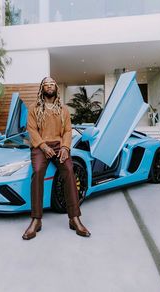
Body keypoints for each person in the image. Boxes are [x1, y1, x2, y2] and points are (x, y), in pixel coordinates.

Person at [22, 77, 91, 240]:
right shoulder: (34, 108)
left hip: (60, 146)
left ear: (56, 89)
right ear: (42, 88)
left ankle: (74, 218)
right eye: (46, 84)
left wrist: (66, 147)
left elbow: (68, 130)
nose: (49, 86)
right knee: (37, 172)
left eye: (52, 84)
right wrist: (43, 147)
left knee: (68, 171)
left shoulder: (64, 109)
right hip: (40, 146)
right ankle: (36, 220)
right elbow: (31, 130)